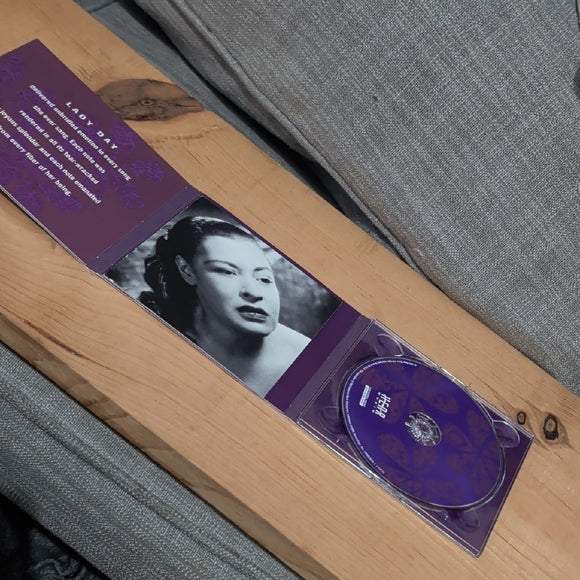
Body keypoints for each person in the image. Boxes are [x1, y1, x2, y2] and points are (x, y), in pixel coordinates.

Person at [140, 215, 310, 397]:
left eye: (263, 279)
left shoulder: (302, 359)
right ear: (187, 270)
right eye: (228, 272)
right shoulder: (156, 335)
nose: (254, 292)